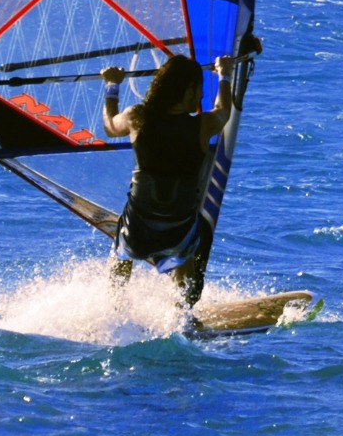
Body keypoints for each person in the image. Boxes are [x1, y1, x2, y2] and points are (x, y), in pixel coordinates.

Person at [99, 50, 244, 309]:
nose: (201, 97)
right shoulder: (202, 125)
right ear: (188, 89)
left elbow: (110, 125)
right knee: (188, 248)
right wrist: (225, 74)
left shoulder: (137, 118)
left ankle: (113, 309)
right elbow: (223, 111)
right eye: (199, 90)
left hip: (138, 229)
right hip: (178, 231)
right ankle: (181, 315)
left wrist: (112, 85)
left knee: (121, 250)